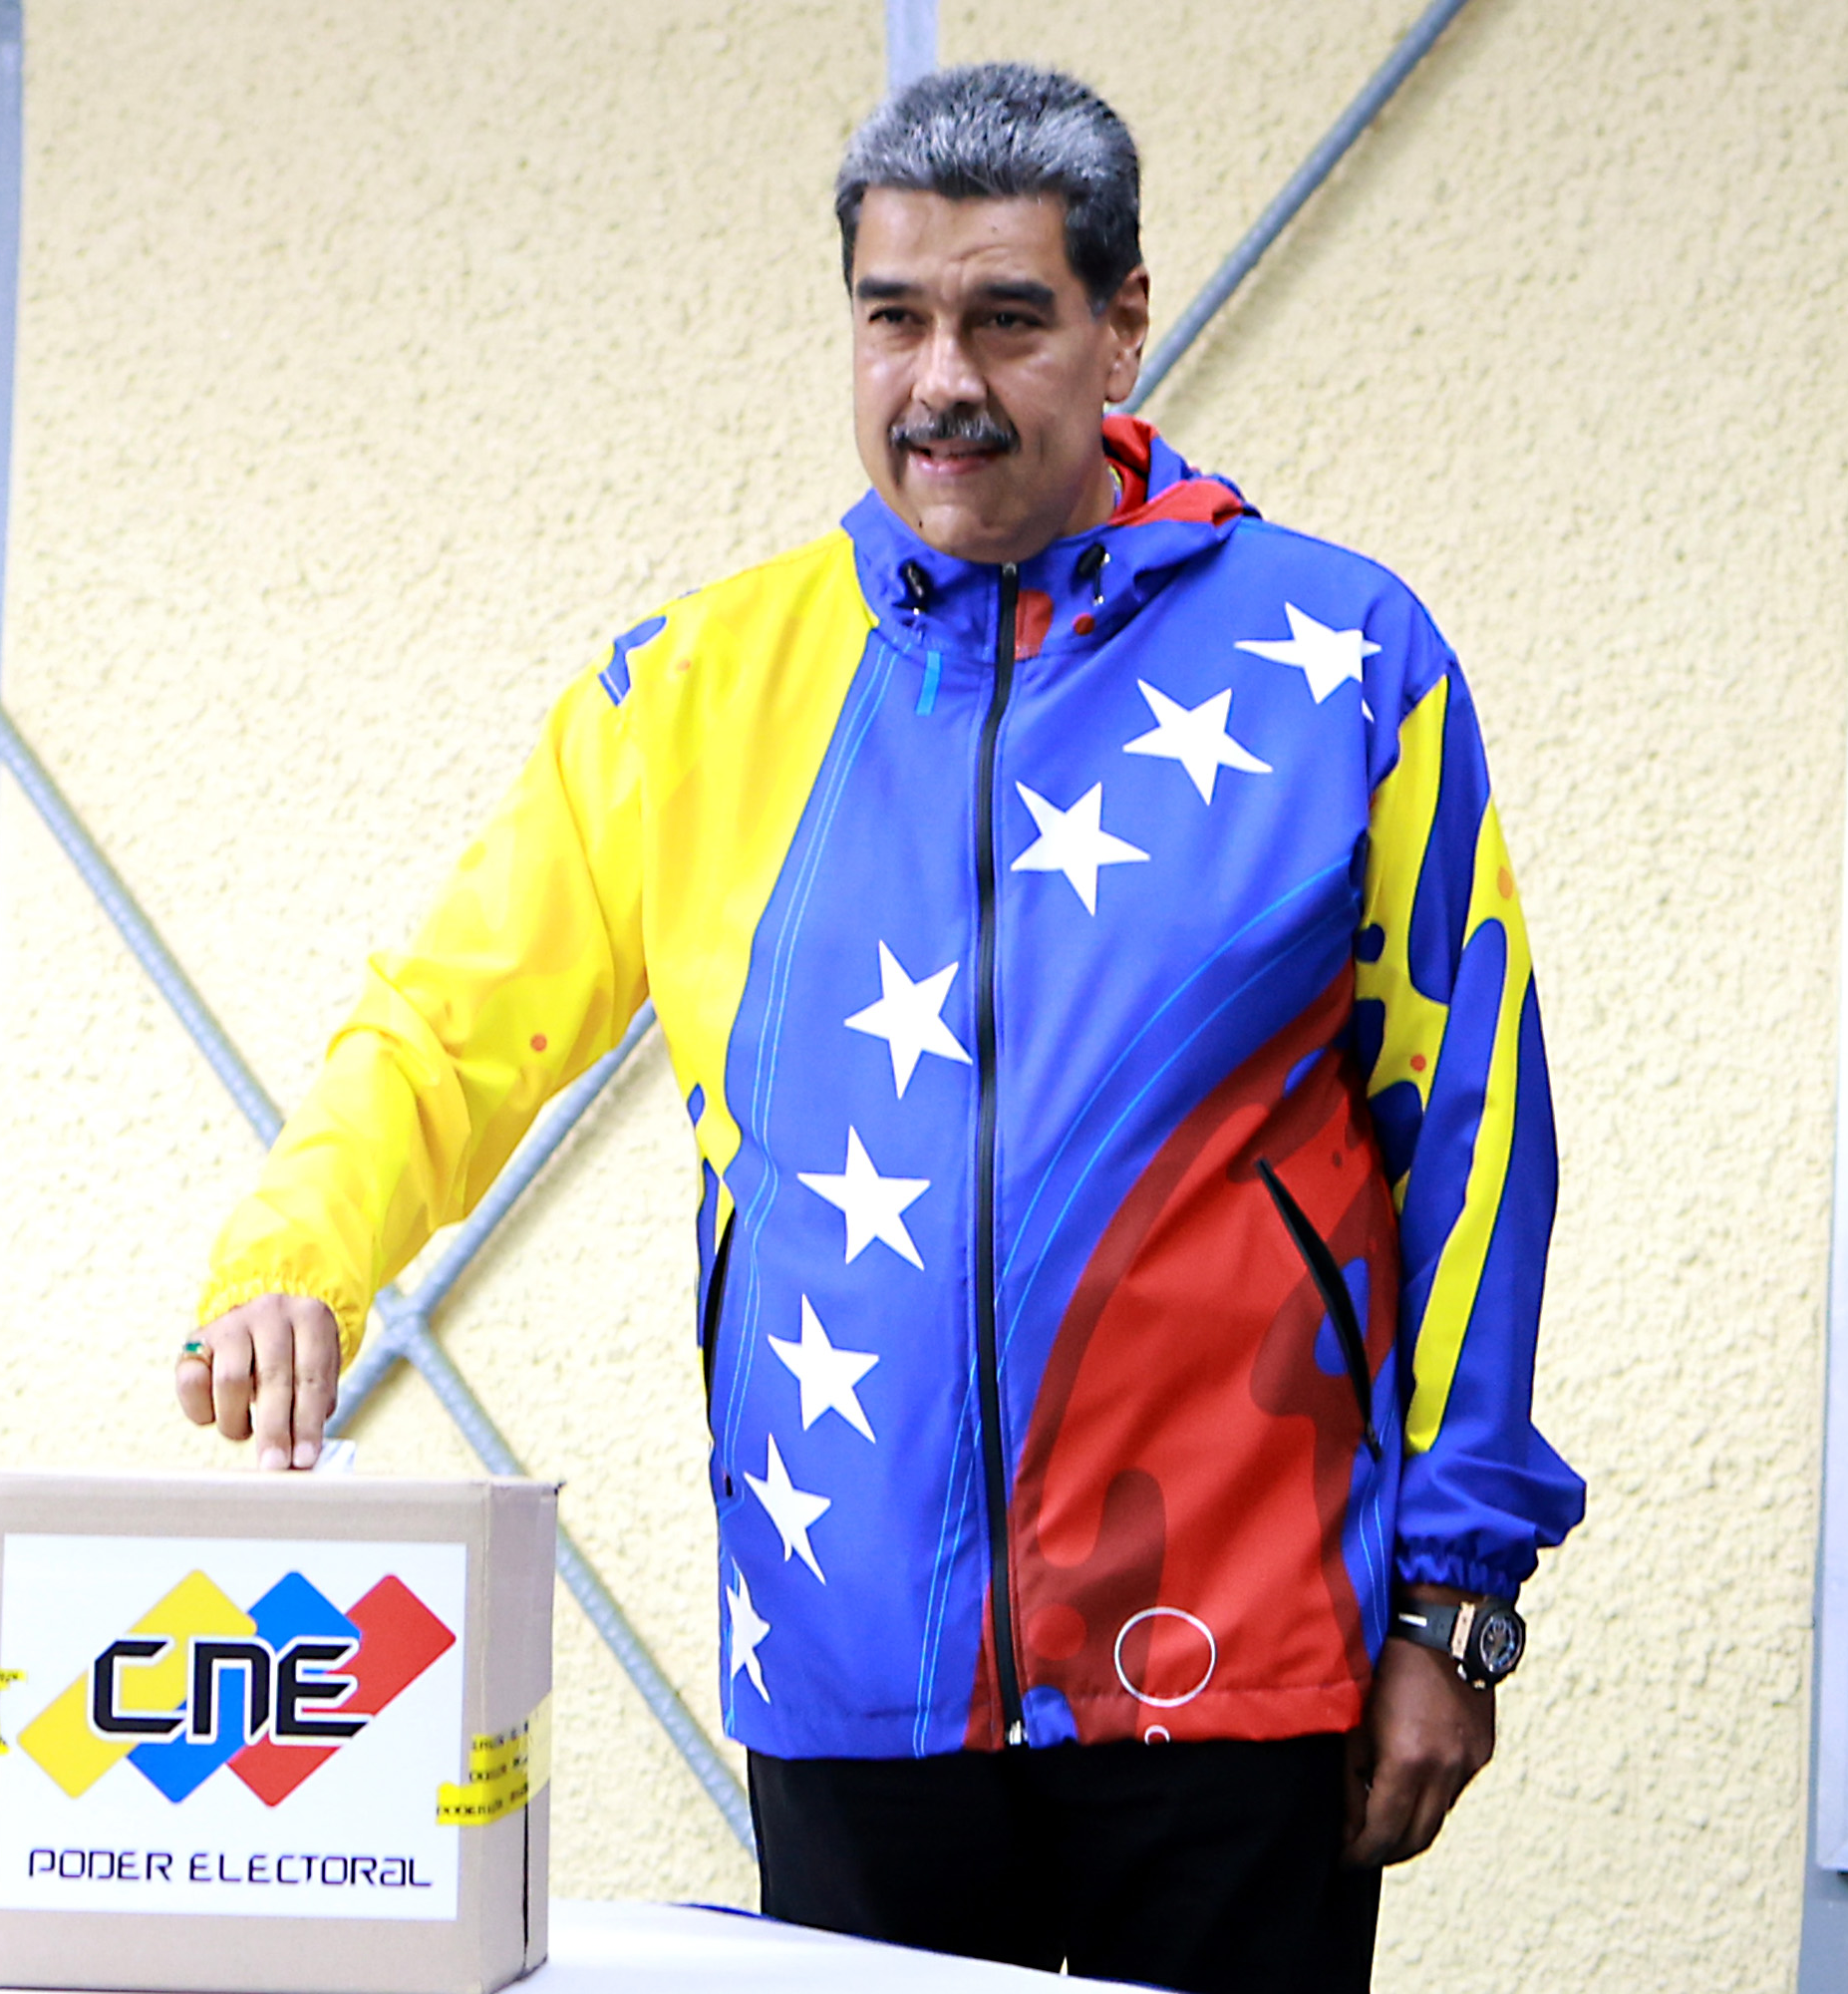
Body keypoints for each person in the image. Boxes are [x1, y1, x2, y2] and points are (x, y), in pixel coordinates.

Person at [175, 62, 1584, 1994]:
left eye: (1008, 316)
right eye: (892, 315)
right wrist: (294, 1260)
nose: (943, 378)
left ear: (1120, 320)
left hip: (1232, 1665)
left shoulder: (1342, 660)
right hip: (855, 1680)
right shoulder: (686, 693)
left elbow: (1477, 1141)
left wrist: (1454, 1594)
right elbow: (446, 1027)